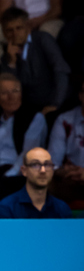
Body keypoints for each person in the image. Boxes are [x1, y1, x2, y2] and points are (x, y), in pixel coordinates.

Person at [0, 73, 47, 207]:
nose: (11, 97)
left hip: (17, 174)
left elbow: (27, 156)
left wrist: (1, 179)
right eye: (4, 93)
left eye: (15, 91)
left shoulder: (34, 118)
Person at [0, 6, 70, 113]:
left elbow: (61, 71)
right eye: (10, 30)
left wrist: (55, 104)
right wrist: (12, 63)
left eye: (19, 28)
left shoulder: (43, 40)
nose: (15, 34)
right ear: (4, 33)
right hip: (30, 108)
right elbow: (10, 91)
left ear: (27, 27)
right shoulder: (6, 57)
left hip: (57, 104)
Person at [0, 148, 71, 218]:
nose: (43, 170)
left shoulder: (62, 208)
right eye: (35, 165)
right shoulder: (6, 208)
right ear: (24, 170)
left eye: (47, 165)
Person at [48, 75, 84, 205]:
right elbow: (53, 162)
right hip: (70, 179)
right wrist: (66, 172)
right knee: (45, 183)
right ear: (80, 95)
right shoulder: (64, 120)